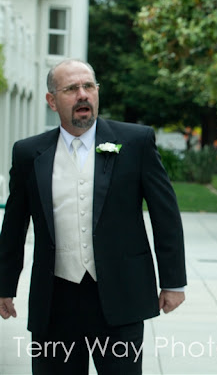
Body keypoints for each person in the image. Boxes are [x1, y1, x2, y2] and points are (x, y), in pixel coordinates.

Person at [0, 59, 187, 374]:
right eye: (71, 89)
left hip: (121, 295)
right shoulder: (28, 153)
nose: (83, 94)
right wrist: (5, 285)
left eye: (88, 86)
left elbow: (164, 214)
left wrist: (173, 281)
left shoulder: (136, 142)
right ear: (51, 100)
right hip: (55, 300)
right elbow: (14, 225)